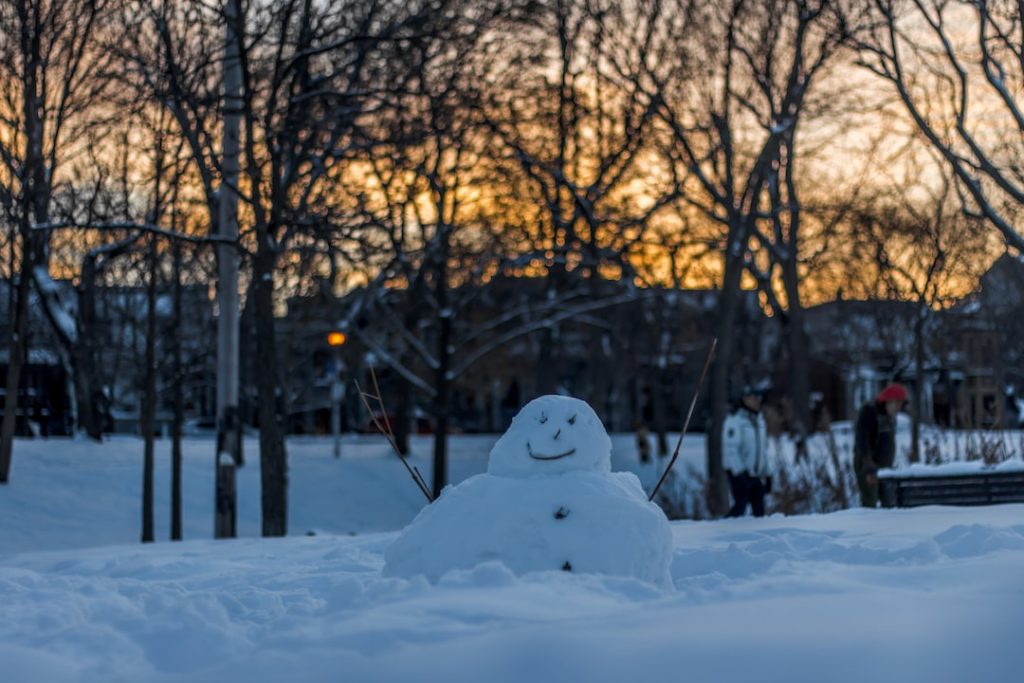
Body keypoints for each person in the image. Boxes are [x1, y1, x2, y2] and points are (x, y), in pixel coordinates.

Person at [853, 383, 907, 508]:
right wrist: (868, 467)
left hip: (885, 468)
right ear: (888, 401)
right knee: (870, 504)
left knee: (889, 503)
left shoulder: (890, 416)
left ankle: (887, 528)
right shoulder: (869, 412)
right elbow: (862, 441)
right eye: (898, 404)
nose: (899, 408)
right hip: (868, 465)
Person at [723, 384, 772, 517]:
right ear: (745, 398)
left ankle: (758, 536)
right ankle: (724, 533)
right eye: (754, 397)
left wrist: (768, 473)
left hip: (754, 475)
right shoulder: (735, 420)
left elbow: (762, 450)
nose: (758, 400)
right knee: (740, 506)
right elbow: (731, 449)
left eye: (759, 397)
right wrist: (740, 474)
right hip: (738, 473)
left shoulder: (759, 420)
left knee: (759, 511)